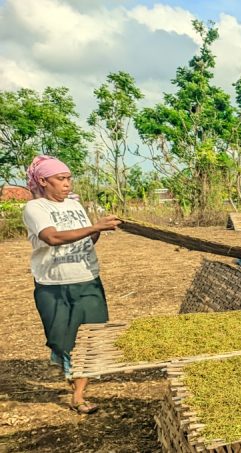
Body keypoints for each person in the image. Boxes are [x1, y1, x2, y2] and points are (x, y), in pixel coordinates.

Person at [22, 155, 121, 415]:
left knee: (89, 339)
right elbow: (52, 237)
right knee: (60, 339)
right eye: (60, 179)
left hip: (87, 280)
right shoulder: (35, 208)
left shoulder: (75, 205)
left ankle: (78, 396)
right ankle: (67, 365)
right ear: (43, 181)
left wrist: (98, 230)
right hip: (53, 284)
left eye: (69, 178)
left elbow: (87, 241)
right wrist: (94, 227)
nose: (67, 184)